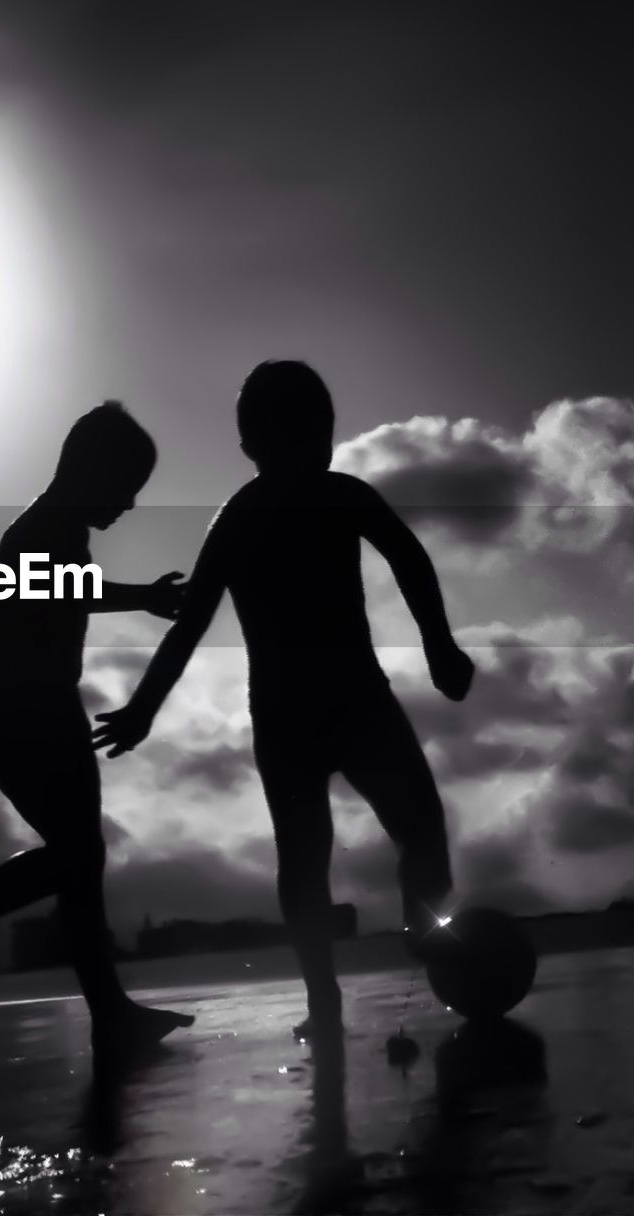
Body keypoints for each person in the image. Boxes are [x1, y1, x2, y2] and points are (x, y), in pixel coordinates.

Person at [92, 361, 474, 1039]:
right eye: (301, 432)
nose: (316, 445)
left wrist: (439, 643)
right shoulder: (241, 518)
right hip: (293, 716)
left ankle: (425, 931)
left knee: (415, 825)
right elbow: (191, 622)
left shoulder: (341, 496)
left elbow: (408, 557)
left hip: (355, 702)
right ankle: (323, 997)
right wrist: (144, 707)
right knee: (307, 858)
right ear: (254, 448)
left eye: (323, 430)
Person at [0, 401, 195, 1060]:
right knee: (78, 858)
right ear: (92, 471)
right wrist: (141, 596)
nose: (131, 505)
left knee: (81, 865)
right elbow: (58, 588)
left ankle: (109, 1012)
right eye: (127, 488)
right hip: (23, 718)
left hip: (44, 714)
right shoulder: (42, 529)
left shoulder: (57, 528)